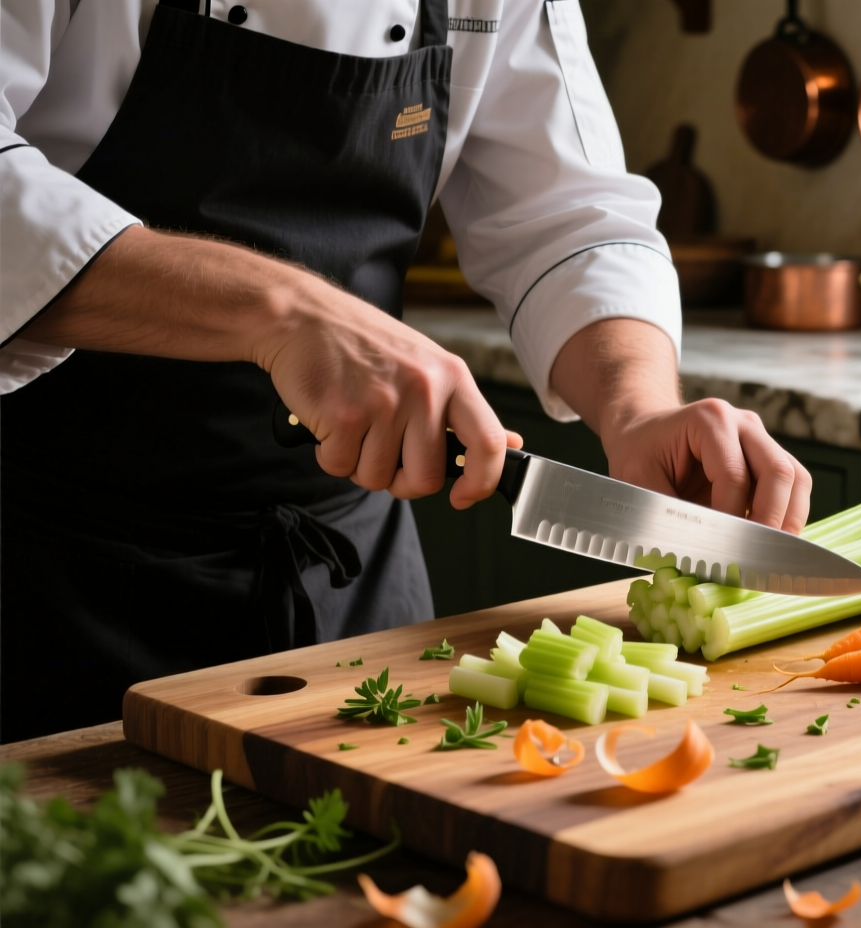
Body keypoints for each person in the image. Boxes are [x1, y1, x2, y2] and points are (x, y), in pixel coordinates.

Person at [0, 0, 811, 742]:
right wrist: (282, 312)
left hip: (348, 577)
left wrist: (635, 405)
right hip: (50, 574)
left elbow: (567, 214)